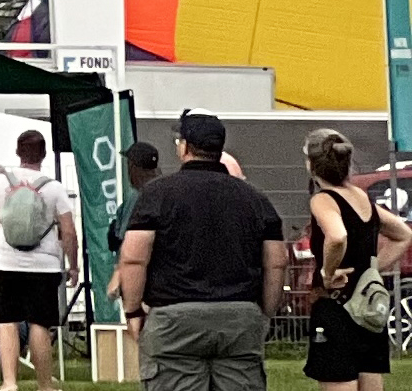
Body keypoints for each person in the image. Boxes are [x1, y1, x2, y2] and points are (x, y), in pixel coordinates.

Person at [115, 111, 286, 391]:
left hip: (174, 320)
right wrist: (264, 313)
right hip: (239, 317)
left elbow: (134, 258)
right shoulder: (255, 198)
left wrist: (133, 311)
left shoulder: (157, 194)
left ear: (184, 147)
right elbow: (276, 262)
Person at [301, 125, 408, 391]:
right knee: (371, 378)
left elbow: (337, 236)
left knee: (340, 381)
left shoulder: (323, 199)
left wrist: (328, 272)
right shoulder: (360, 197)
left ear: (311, 164)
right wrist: (373, 270)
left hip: (337, 308)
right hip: (368, 307)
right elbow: (403, 234)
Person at [0, 129, 78, 391]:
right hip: (45, 265)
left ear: (18, 152)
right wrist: (73, 265)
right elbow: (69, 232)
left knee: (7, 322)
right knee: (40, 323)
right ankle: (45, 385)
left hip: (7, 263)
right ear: (44, 154)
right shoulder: (54, 188)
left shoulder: (0, 184)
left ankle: (9, 382)